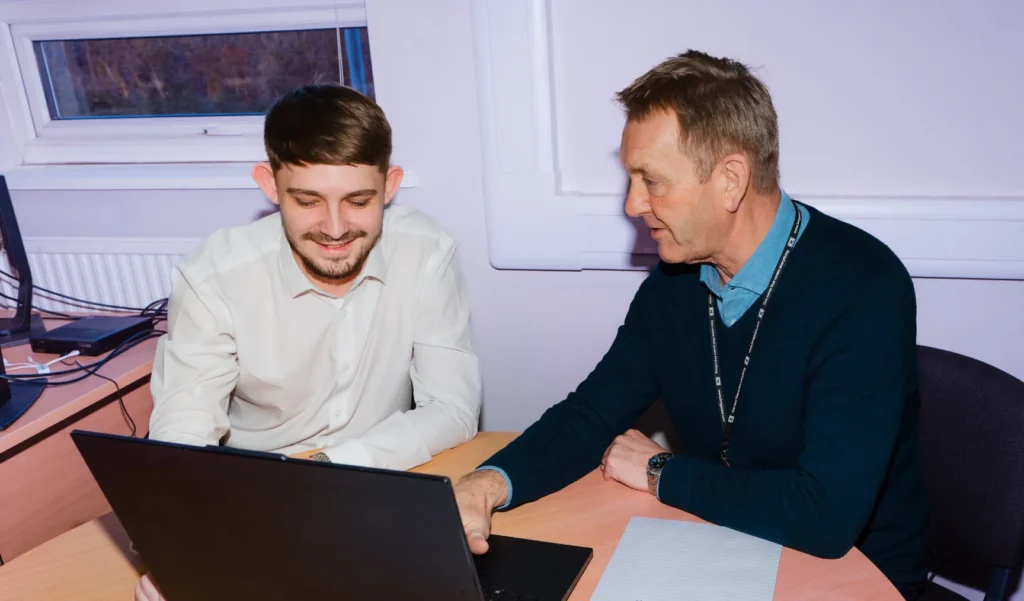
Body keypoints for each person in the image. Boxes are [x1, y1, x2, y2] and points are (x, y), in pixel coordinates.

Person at [454, 50, 928, 600]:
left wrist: (661, 472)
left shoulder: (864, 287)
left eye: (652, 181)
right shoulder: (677, 282)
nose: (633, 204)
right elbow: (590, 415)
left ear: (730, 180)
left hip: (859, 574)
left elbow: (823, 517)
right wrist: (486, 485)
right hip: (722, 542)